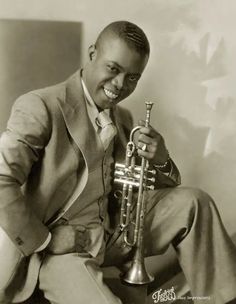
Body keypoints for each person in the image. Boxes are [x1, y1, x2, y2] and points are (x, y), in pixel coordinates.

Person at [0, 20, 235, 304]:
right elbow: (2, 179)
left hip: (112, 232)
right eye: (113, 69)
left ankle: (221, 299)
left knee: (196, 203)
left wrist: (161, 160)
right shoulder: (41, 105)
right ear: (91, 55)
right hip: (64, 249)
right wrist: (47, 241)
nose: (120, 85)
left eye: (133, 77)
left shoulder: (121, 117)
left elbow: (143, 185)